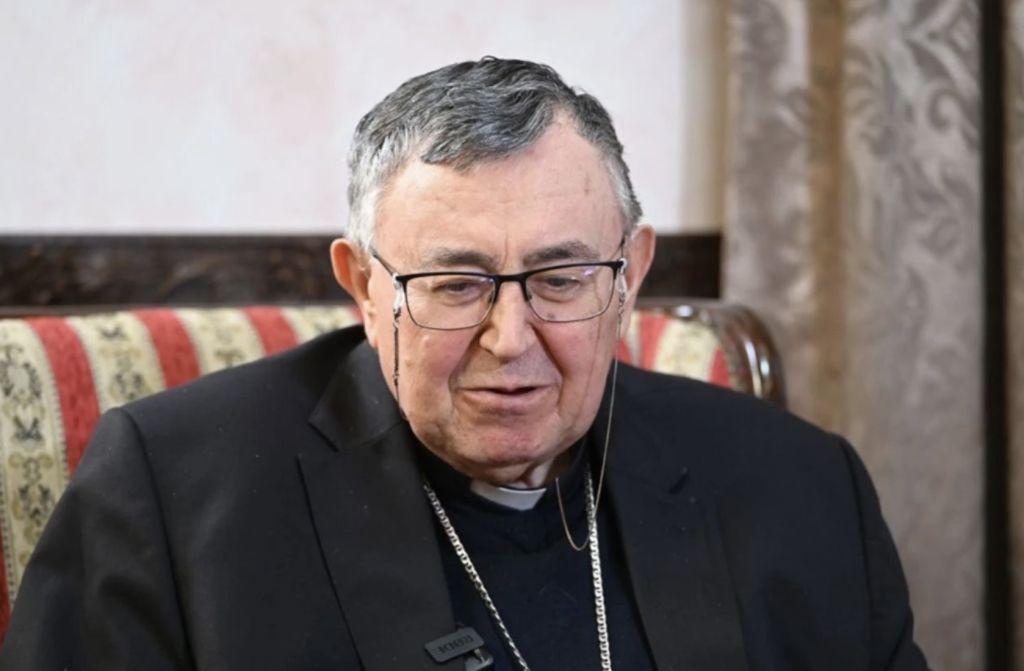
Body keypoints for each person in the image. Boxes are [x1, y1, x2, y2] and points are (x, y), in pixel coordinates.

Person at [0, 57, 930, 671]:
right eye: (455, 284)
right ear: (364, 286)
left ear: (631, 275)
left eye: (560, 279)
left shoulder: (804, 487)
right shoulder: (169, 496)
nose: (510, 337)